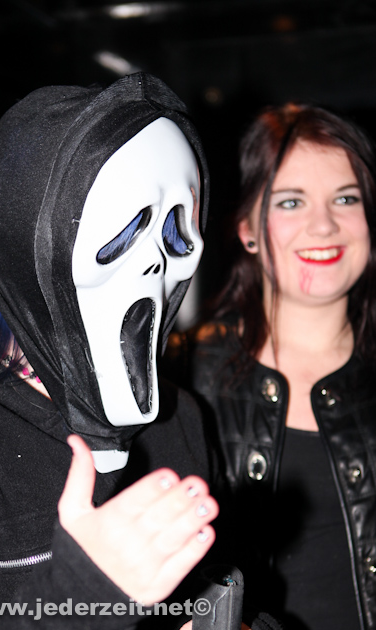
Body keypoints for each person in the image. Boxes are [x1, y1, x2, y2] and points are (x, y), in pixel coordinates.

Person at [0, 72, 221, 629]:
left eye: (177, 232)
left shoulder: (182, 420)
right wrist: (85, 593)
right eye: (125, 232)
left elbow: (222, 595)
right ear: (29, 239)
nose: (156, 262)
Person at [164, 102, 376, 630]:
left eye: (346, 198)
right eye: (291, 202)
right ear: (246, 228)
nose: (324, 225)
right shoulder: (178, 375)